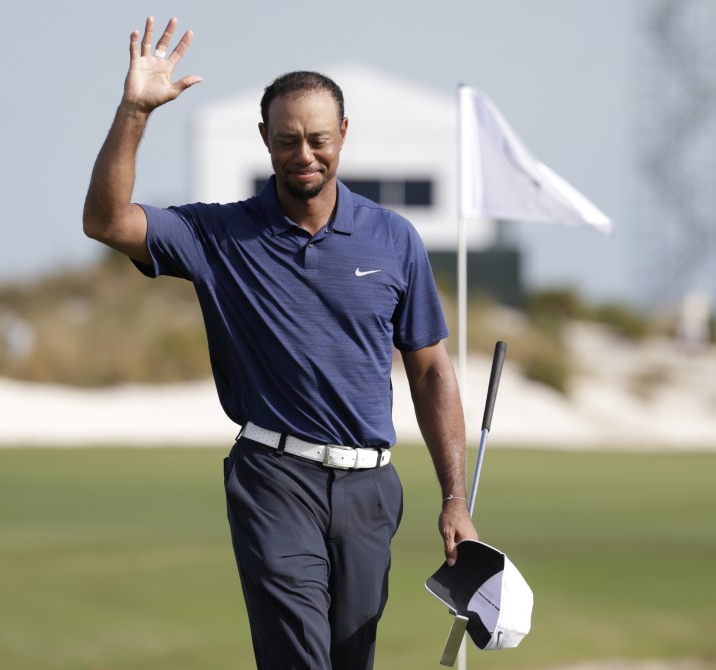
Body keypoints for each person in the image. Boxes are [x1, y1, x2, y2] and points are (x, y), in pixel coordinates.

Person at [83, 16, 478, 670]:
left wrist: (454, 499)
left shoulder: (394, 239)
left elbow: (432, 370)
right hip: (274, 479)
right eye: (288, 140)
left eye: (319, 139)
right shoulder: (217, 234)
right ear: (264, 138)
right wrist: (134, 113)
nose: (305, 154)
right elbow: (106, 220)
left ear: (343, 136)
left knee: (352, 659)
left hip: (369, 489)